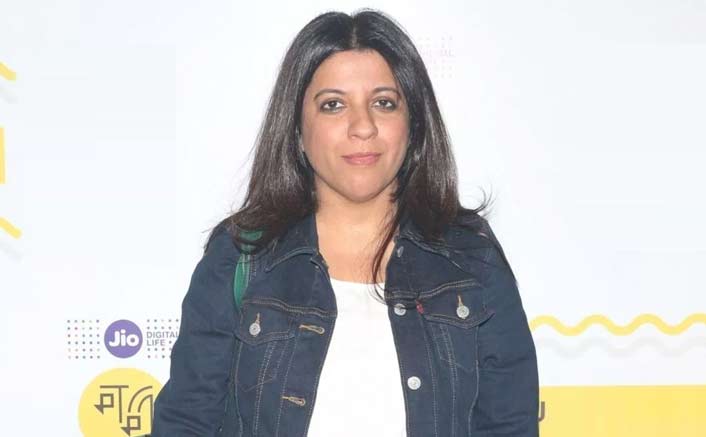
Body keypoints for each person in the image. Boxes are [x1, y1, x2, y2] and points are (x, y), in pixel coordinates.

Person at [151, 8, 539, 437]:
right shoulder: (241, 258)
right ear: (297, 128)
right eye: (333, 105)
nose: (363, 127)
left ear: (413, 123)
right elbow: (185, 424)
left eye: (383, 103)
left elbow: (510, 426)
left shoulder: (471, 259)